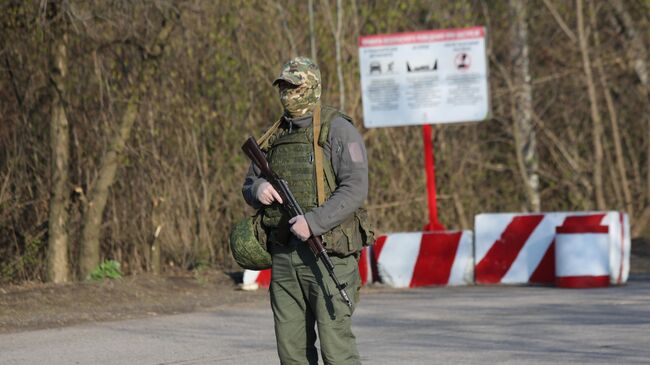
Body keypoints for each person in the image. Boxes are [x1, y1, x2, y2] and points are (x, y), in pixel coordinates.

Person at [242, 57, 369, 365]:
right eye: (283, 86)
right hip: (285, 258)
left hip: (329, 256)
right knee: (292, 353)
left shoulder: (338, 130)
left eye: (294, 86)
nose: (287, 92)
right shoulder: (274, 135)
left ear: (312, 87)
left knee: (336, 351)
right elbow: (249, 183)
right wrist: (257, 190)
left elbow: (355, 188)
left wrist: (313, 222)